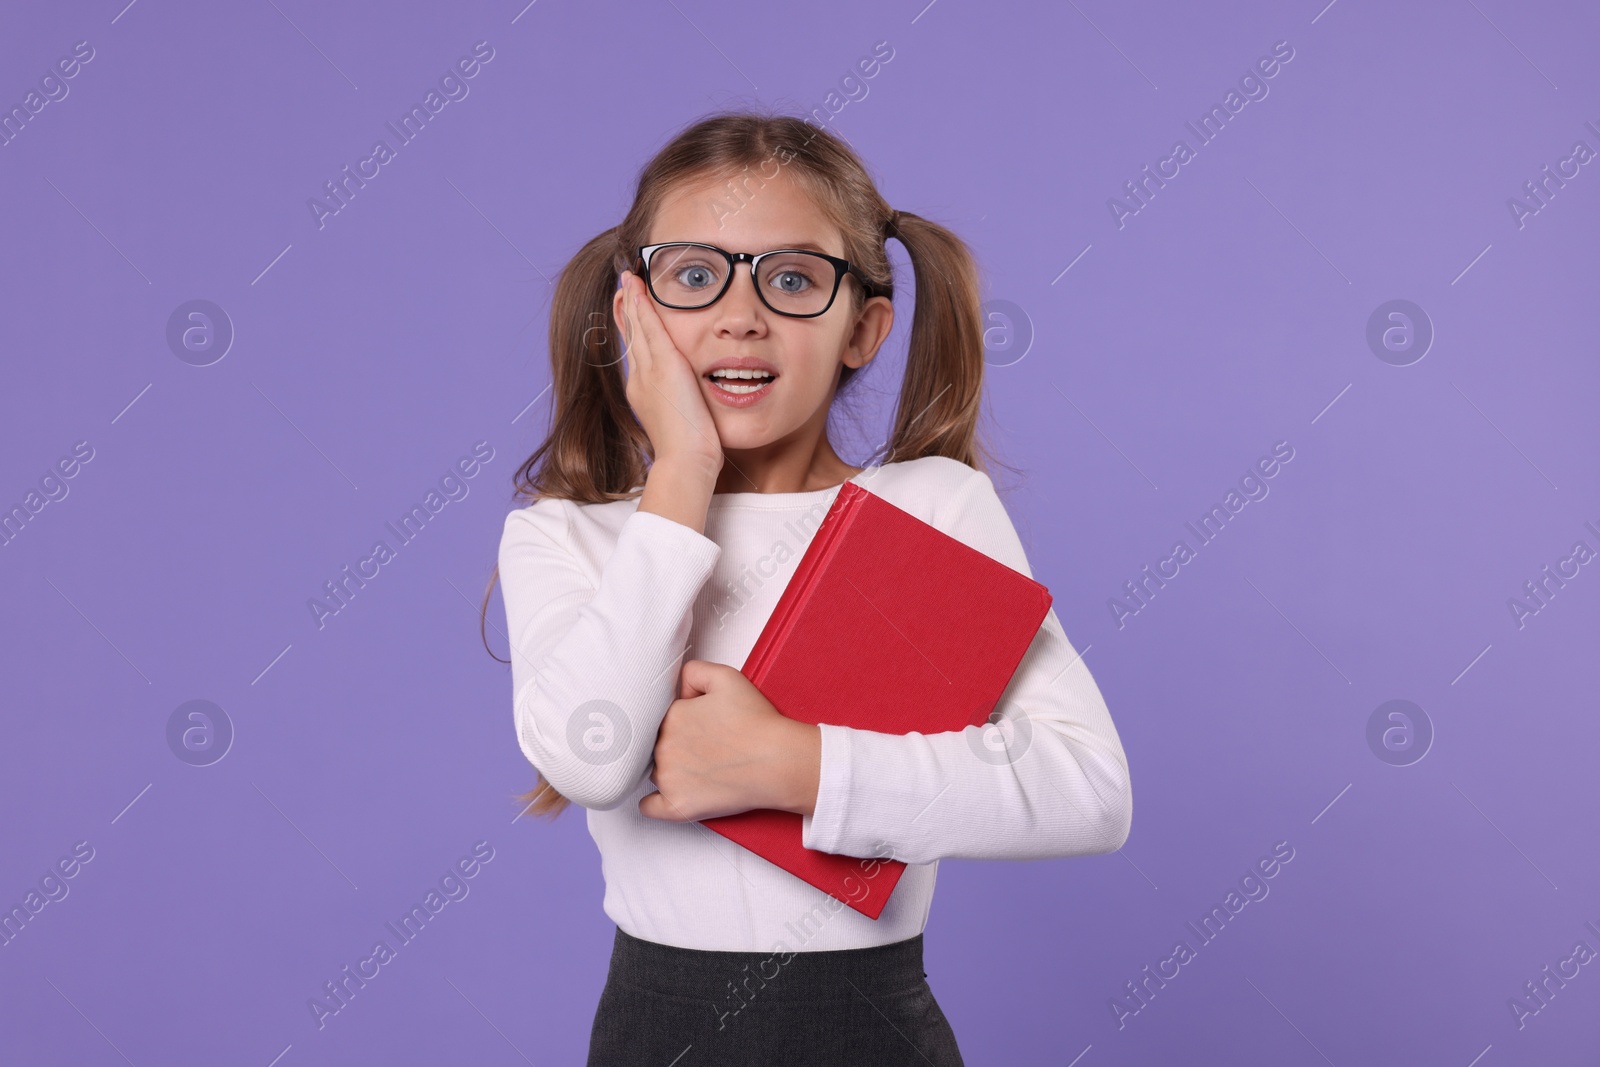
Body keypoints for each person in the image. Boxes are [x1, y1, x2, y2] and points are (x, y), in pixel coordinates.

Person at [487, 110, 1133, 1066]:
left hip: (868, 1025)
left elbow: (1088, 792)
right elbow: (596, 761)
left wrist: (794, 764)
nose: (741, 313)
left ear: (864, 328)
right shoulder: (569, 535)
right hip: (657, 1029)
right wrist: (682, 475)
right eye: (694, 275)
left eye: (792, 279)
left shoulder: (931, 508)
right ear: (634, 312)